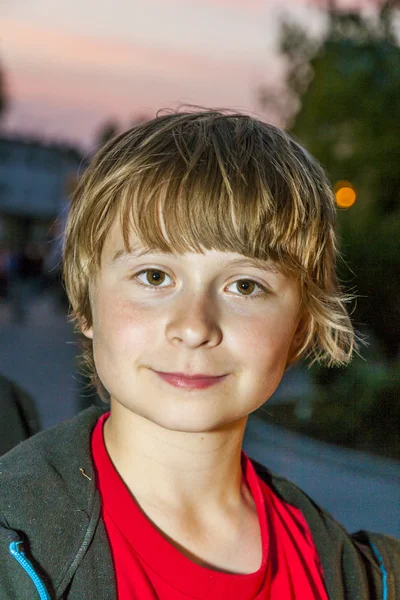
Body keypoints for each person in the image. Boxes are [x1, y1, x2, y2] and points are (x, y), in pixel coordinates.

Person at [0, 109, 398, 600]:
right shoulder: (14, 544)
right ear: (85, 302)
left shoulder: (358, 576)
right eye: (154, 277)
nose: (193, 327)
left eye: (245, 285)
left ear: (300, 326)